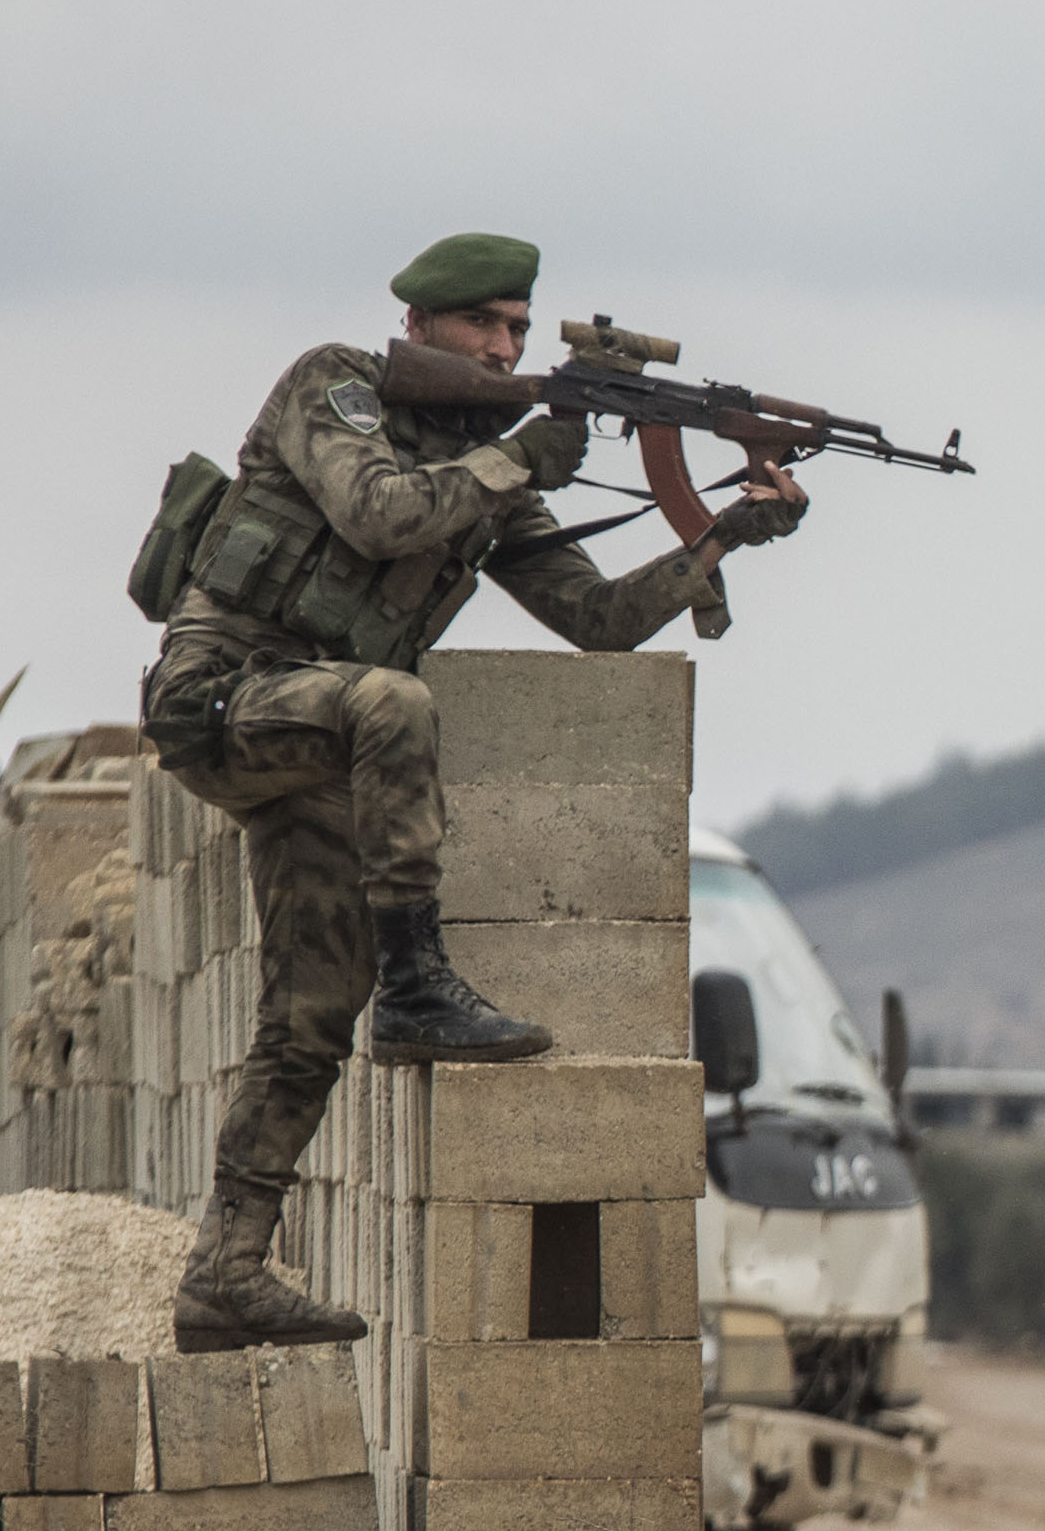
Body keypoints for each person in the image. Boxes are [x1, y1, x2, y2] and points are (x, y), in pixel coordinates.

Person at [138, 230, 811, 1353]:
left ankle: (225, 1272)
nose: (504, 347)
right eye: (484, 327)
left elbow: (598, 623)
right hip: (219, 700)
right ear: (422, 329)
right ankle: (419, 988)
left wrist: (730, 529)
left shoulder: (486, 476)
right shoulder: (334, 387)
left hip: (319, 743)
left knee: (307, 1019)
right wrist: (522, 458)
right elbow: (381, 514)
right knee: (395, 701)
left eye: (518, 329)